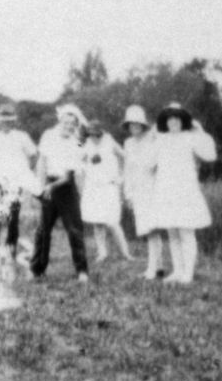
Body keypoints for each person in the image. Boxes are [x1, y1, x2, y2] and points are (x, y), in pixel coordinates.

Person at [148, 102, 217, 284]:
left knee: (186, 232)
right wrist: (153, 137)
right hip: (166, 190)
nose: (173, 122)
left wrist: (199, 131)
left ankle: (188, 273)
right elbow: (148, 163)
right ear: (165, 121)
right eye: (170, 118)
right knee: (172, 232)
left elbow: (210, 156)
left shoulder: (190, 137)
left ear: (183, 120)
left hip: (185, 190)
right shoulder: (160, 139)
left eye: (177, 118)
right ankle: (178, 271)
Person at [30, 104, 90, 283]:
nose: (69, 126)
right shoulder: (48, 135)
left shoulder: (77, 141)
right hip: (48, 185)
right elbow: (42, 162)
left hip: (65, 187)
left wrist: (51, 187)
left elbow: (69, 175)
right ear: (60, 120)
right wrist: (40, 188)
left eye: (73, 123)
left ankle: (82, 271)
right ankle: (37, 270)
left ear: (76, 125)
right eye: (66, 122)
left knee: (75, 230)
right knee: (43, 230)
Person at [81, 119, 133, 263]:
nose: (92, 136)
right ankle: (102, 253)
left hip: (109, 186)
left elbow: (125, 156)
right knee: (97, 222)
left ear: (100, 132)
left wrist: (121, 177)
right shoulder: (86, 143)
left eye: (95, 133)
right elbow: (78, 159)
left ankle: (126, 253)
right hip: (93, 187)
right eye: (89, 133)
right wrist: (85, 168)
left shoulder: (109, 141)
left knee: (113, 222)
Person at [121, 105, 163, 279]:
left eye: (137, 124)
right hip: (137, 190)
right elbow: (128, 169)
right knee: (146, 229)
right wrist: (128, 193)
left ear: (143, 125)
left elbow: (153, 164)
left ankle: (153, 269)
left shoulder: (152, 140)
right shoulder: (128, 143)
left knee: (152, 229)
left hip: (152, 187)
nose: (134, 127)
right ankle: (157, 266)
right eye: (131, 124)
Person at [0, 102, 38, 258]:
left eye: (9, 120)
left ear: (13, 121)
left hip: (15, 183)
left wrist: (26, 172)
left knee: (13, 217)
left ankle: (11, 249)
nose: (6, 123)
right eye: (3, 120)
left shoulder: (21, 136)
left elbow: (33, 155)